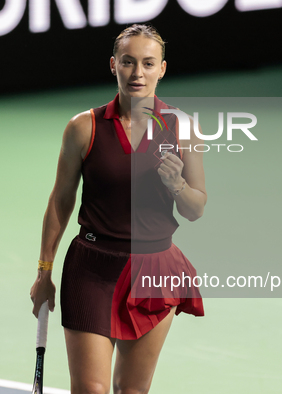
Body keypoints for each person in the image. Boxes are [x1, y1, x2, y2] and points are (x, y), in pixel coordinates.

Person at [30, 24, 207, 394]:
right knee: (90, 390)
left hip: (156, 269)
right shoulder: (84, 127)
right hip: (92, 268)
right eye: (128, 62)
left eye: (147, 63)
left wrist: (177, 185)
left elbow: (195, 209)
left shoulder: (182, 127)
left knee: (131, 390)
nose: (137, 73)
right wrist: (44, 270)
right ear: (114, 65)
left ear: (162, 69)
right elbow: (61, 200)